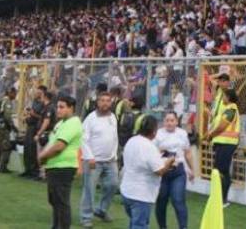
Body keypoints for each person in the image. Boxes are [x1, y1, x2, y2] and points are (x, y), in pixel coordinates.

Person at [120, 114, 179, 229]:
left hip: (127, 191)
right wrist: (170, 161)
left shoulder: (132, 141)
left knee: (134, 223)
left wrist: (157, 154)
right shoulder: (149, 147)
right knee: (140, 225)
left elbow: (141, 160)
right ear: (154, 131)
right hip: (141, 195)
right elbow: (160, 171)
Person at [39, 94, 83, 229]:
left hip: (64, 167)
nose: (58, 110)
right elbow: (53, 142)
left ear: (71, 108)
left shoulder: (73, 123)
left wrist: (42, 156)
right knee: (54, 200)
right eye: (58, 107)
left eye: (62, 107)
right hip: (55, 166)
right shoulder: (60, 123)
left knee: (61, 202)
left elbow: (59, 146)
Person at [80, 90, 120, 228]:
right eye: (102, 100)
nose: (105, 103)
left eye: (107, 101)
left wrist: (114, 155)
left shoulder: (113, 117)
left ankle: (101, 210)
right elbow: (83, 139)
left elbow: (114, 138)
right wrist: (89, 157)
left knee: (113, 185)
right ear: (97, 102)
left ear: (111, 103)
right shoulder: (90, 118)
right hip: (93, 162)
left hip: (110, 161)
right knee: (89, 189)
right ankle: (86, 217)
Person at [155, 111, 195, 229]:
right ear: (163, 122)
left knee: (178, 200)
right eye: (167, 120)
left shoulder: (182, 133)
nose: (169, 123)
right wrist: (160, 151)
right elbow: (151, 153)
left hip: (178, 172)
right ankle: (162, 227)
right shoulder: (158, 134)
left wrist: (192, 170)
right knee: (161, 201)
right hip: (162, 172)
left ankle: (183, 227)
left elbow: (187, 153)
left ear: (177, 122)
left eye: (172, 120)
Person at [205, 76, 240, 202]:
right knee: (221, 169)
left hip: (227, 143)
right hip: (221, 142)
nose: (223, 97)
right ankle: (219, 196)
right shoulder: (225, 107)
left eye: (225, 96)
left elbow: (222, 126)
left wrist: (211, 135)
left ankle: (223, 198)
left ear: (229, 98)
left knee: (221, 170)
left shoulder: (231, 108)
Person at [22, 85, 48, 179]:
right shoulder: (34, 101)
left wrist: (34, 114)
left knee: (33, 150)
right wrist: (27, 115)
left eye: (39, 92)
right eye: (37, 91)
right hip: (29, 127)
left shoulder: (44, 104)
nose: (36, 93)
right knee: (27, 149)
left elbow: (43, 118)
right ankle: (27, 170)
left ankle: (34, 172)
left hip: (35, 129)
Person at [0, 85, 17, 173]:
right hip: (3, 128)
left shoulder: (1, 100)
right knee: (6, 147)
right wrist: (13, 127)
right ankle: (3, 167)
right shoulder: (7, 102)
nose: (15, 96)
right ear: (11, 93)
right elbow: (7, 116)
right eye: (15, 93)